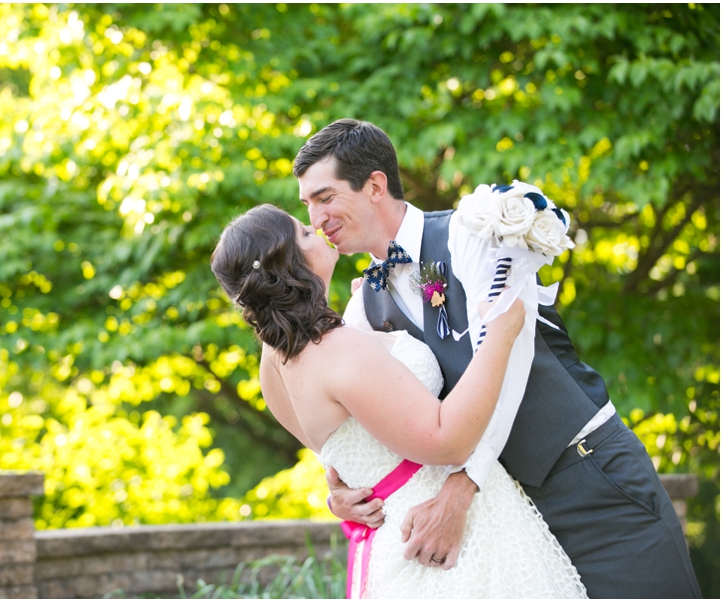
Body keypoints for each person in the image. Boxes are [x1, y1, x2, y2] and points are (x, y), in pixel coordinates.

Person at [293, 118, 701, 598]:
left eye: (325, 198)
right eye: (307, 206)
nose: (316, 220)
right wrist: (340, 486)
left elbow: (509, 357)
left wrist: (464, 484)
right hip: (503, 525)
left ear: (375, 185)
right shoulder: (365, 305)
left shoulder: (475, 234)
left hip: (588, 481)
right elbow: (355, 413)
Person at [211, 204, 587, 598]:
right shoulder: (335, 350)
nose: (315, 227)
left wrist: (339, 495)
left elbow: (354, 453)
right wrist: (501, 332)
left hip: (393, 546)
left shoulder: (272, 369)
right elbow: (447, 441)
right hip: (450, 544)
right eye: (302, 233)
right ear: (286, 265)